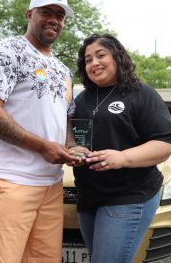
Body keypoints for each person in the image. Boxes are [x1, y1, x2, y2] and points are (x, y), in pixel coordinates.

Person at [0, 0, 78, 263]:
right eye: (46, 12)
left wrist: (72, 146)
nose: (54, 19)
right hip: (11, 179)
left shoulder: (62, 69)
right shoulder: (6, 52)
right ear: (29, 14)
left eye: (60, 15)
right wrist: (43, 146)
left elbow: (63, 116)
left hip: (51, 183)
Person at [72, 34, 171, 263]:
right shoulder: (82, 100)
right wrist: (73, 150)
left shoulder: (141, 94)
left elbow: (165, 143)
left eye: (100, 55)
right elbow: (74, 137)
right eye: (87, 60)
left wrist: (123, 157)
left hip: (128, 194)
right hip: (88, 196)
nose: (94, 63)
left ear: (117, 57)